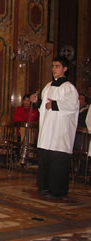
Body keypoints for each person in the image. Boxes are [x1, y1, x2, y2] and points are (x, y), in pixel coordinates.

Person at [30, 56, 79, 198]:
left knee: (58, 159)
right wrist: (37, 101)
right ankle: (44, 186)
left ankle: (57, 189)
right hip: (47, 128)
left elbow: (73, 106)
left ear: (65, 69)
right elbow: (43, 107)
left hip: (60, 131)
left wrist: (55, 104)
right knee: (46, 158)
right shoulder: (48, 86)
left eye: (57, 66)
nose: (54, 69)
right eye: (53, 66)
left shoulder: (69, 88)